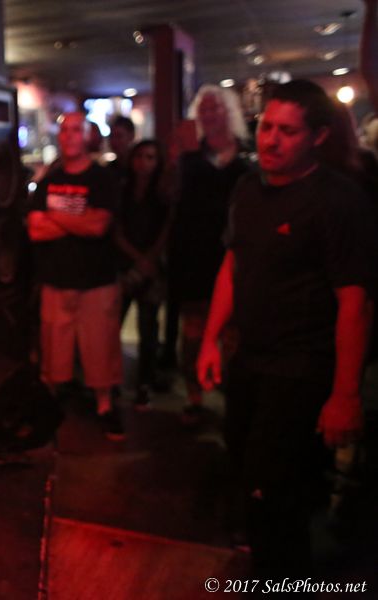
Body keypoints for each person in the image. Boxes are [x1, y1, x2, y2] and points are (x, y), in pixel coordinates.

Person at [197, 79, 377, 579]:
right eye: (266, 127)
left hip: (301, 368)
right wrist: (210, 339)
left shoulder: (337, 200)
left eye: (287, 131)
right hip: (250, 358)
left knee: (279, 493)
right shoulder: (247, 187)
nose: (271, 140)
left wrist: (345, 394)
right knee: (250, 476)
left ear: (318, 137)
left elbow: (356, 303)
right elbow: (232, 265)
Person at [27, 111, 124, 440]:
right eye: (64, 130)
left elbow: (98, 226)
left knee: (101, 350)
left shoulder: (102, 179)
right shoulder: (49, 179)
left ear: (87, 136)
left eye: (76, 130)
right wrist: (78, 219)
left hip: (96, 281)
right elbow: (35, 230)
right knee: (54, 351)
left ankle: (105, 407)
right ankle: (51, 407)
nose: (69, 136)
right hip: (56, 279)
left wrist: (55, 215)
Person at [168, 84, 251, 425]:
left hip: (234, 258)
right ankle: (195, 397)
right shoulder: (190, 157)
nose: (209, 113)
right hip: (195, 258)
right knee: (193, 332)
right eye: (203, 108)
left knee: (233, 335)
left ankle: (234, 399)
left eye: (215, 107)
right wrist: (178, 156)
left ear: (229, 112)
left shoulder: (247, 160)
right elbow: (174, 203)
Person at [113, 140, 172, 409]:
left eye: (150, 157)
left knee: (148, 329)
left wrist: (149, 259)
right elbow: (116, 228)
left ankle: (144, 383)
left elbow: (167, 229)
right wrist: (138, 258)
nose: (144, 162)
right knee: (113, 325)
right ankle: (112, 380)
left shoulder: (163, 193)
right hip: (126, 264)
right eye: (140, 156)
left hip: (152, 268)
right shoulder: (123, 190)